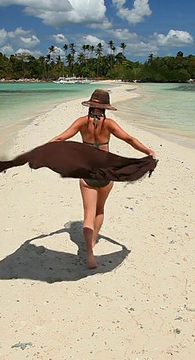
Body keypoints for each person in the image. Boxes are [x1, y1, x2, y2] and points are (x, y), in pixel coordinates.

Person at [49, 89, 156, 269]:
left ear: (91, 105)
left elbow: (60, 138)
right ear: (105, 107)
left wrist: (44, 149)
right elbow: (130, 139)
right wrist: (148, 151)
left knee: (88, 214)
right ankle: (93, 242)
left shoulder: (82, 122)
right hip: (106, 173)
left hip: (87, 173)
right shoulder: (110, 125)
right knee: (100, 209)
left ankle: (89, 253)